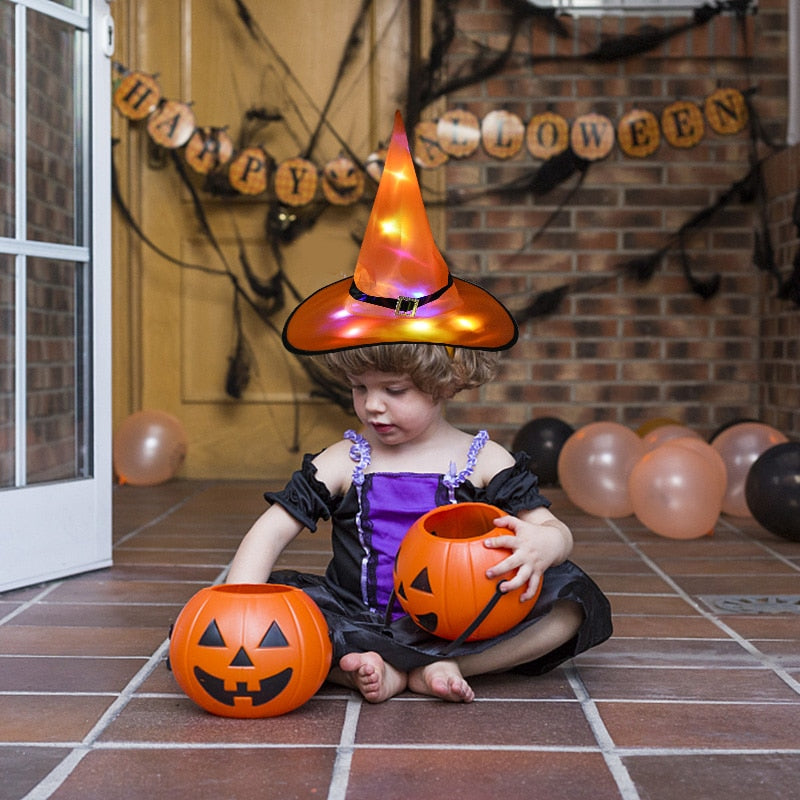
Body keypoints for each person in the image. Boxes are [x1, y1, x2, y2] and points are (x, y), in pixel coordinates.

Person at [226, 111, 612, 703]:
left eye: (395, 391)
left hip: (461, 620)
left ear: (447, 381)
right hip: (353, 610)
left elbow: (550, 529)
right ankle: (354, 662)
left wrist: (543, 546)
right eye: (359, 389)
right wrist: (237, 608)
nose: (372, 407)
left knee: (570, 602)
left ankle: (446, 669)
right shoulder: (346, 458)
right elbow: (272, 529)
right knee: (280, 602)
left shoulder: (480, 459)